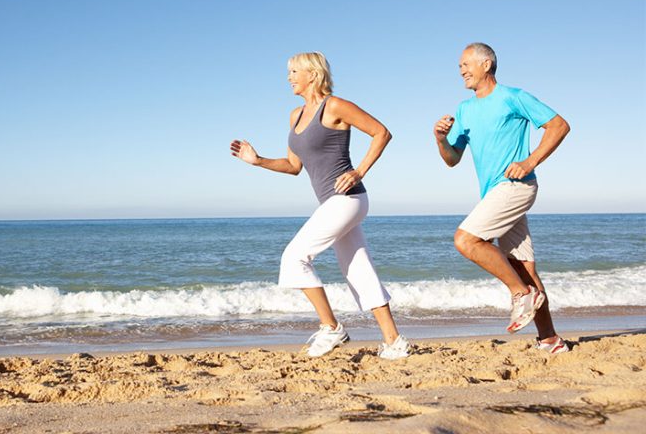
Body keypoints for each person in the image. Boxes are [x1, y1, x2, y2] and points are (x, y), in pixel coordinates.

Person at [230, 52, 410, 359]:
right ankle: (394, 342)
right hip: (334, 202)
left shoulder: (335, 106)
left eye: (294, 71)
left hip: (348, 198)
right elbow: (292, 165)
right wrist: (257, 161)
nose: (289, 77)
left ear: (313, 75)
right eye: (288, 71)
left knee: (293, 258)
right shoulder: (295, 115)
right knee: (358, 270)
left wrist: (358, 171)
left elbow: (382, 133)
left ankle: (331, 328)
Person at [434, 42, 571, 354]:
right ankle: (550, 339)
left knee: (466, 240)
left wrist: (530, 161)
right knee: (525, 268)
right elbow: (452, 158)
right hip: (495, 193)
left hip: (516, 186)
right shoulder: (464, 109)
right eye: (459, 67)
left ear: (486, 65)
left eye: (466, 65)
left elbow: (559, 125)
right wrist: (440, 139)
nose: (461, 71)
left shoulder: (513, 97)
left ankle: (519, 293)